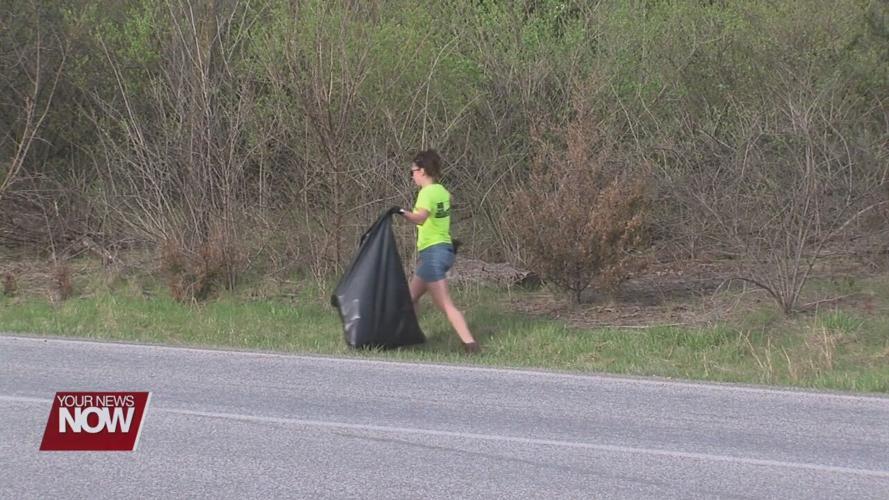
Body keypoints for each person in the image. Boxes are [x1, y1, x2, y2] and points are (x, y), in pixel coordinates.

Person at [394, 149, 479, 354]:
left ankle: (470, 345)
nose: (412, 175)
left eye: (412, 171)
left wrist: (401, 212)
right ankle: (409, 338)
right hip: (442, 251)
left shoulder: (426, 193)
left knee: (446, 305)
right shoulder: (441, 191)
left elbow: (420, 218)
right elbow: (449, 198)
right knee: (409, 298)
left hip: (433, 255)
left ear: (422, 171)